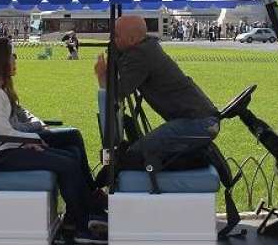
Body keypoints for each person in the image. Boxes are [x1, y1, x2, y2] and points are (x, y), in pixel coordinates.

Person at [0, 38, 106, 244]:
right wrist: (33, 139)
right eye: (12, 56)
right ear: (0, 61)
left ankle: (80, 217)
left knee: (70, 156)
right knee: (66, 162)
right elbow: (2, 132)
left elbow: (5, 132)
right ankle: (82, 225)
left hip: (3, 149)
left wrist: (30, 139)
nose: (14, 60)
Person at [93, 15, 220, 173]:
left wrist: (101, 75)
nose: (113, 40)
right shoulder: (148, 46)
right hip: (201, 121)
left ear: (132, 39)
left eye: (116, 36)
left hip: (198, 124)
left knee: (136, 154)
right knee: (136, 151)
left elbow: (117, 93)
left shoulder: (140, 54)